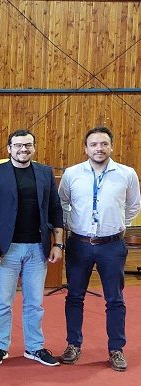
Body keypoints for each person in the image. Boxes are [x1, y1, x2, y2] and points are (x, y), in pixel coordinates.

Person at [0, 130, 64, 366]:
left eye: (28, 145)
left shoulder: (45, 173)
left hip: (38, 248)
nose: (23, 149)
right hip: (7, 249)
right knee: (3, 302)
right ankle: (0, 346)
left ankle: (35, 348)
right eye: (17, 145)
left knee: (34, 302)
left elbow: (55, 209)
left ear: (34, 148)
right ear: (9, 149)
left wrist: (58, 243)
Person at [59, 126, 141, 371]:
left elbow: (133, 205)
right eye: (94, 144)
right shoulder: (72, 174)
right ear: (86, 148)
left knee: (115, 299)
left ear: (111, 147)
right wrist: (73, 223)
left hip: (112, 245)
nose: (99, 148)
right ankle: (73, 344)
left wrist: (117, 225)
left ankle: (116, 348)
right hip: (80, 244)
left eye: (104, 144)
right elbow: (62, 202)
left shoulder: (126, 174)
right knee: (74, 297)